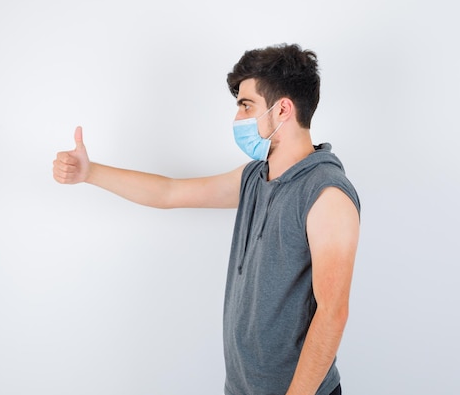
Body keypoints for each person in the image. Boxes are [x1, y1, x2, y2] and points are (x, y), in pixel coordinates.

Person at [53, 43, 360, 395]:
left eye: (246, 106)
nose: (237, 119)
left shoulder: (326, 194)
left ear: (283, 109)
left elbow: (332, 314)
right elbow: (168, 193)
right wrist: (89, 173)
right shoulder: (253, 179)